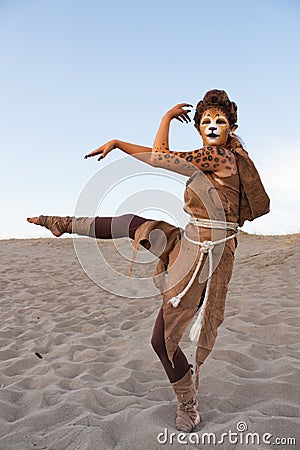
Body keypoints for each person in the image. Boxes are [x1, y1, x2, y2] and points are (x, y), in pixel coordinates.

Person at [27, 90, 270, 432]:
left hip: (205, 256)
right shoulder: (212, 155)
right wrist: (119, 143)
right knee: (133, 222)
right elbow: (159, 157)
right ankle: (62, 223)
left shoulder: (220, 156)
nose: (213, 126)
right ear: (199, 129)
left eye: (220, 121)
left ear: (231, 126)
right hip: (187, 239)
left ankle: (188, 403)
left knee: (161, 341)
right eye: (206, 122)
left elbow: (160, 157)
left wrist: (166, 118)